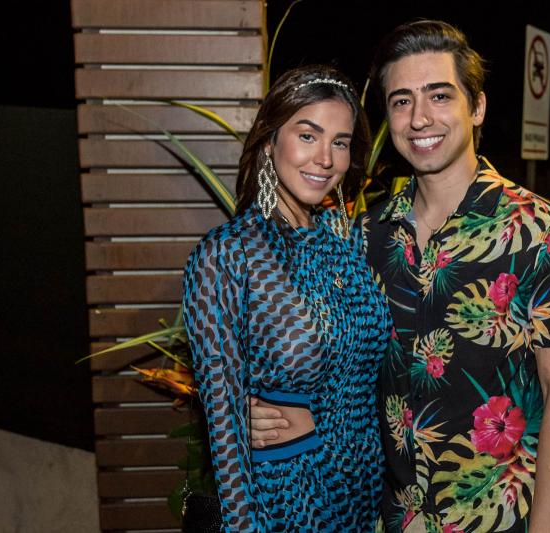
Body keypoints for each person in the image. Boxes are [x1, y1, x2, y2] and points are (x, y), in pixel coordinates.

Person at [251, 20, 550, 533]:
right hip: (393, 519)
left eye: (439, 95)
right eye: (402, 101)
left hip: (506, 521)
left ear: (477, 107)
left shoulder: (545, 232)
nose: (420, 117)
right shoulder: (365, 237)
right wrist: (283, 414)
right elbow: (350, 376)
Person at [182, 65, 392, 532]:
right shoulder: (227, 255)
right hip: (287, 497)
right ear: (270, 140)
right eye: (308, 135)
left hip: (359, 492)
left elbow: (361, 374)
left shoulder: (344, 246)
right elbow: (225, 437)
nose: (326, 158)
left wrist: (321, 418)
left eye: (340, 142)